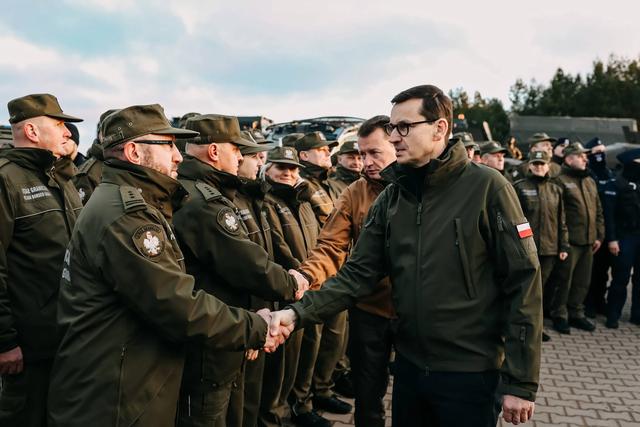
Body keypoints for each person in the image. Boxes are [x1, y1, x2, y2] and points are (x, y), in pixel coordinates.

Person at [269, 84, 542, 426]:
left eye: (404, 127)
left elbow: (523, 283)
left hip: (469, 373)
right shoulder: (392, 197)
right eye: (393, 128)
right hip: (410, 370)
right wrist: (295, 315)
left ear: (439, 128)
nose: (395, 137)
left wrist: (520, 381)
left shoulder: (488, 188)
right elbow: (357, 274)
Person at [48, 105, 287, 427]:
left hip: (126, 374)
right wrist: (255, 328)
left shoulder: (131, 202)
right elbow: (175, 303)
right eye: (168, 145)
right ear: (133, 151)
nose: (178, 156)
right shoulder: (127, 215)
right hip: (118, 389)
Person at [172, 114, 301, 427]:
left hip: (227, 324)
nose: (242, 157)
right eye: (236, 150)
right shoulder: (202, 200)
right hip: (212, 338)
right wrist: (292, 284)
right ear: (214, 152)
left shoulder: (208, 191)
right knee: (208, 414)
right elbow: (245, 262)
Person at [293, 115, 397, 427]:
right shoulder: (355, 192)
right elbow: (330, 245)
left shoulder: (420, 189)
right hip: (368, 309)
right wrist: (306, 275)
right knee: (367, 396)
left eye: (374, 153)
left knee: (414, 396)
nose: (366, 162)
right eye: (362, 154)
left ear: (396, 145)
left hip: (416, 314)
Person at [0, 93, 84, 427]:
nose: (67, 132)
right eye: (60, 124)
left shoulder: (62, 177)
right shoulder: (6, 180)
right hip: (27, 347)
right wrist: (4, 341)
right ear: (33, 132)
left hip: (66, 337)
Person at [293, 132, 352, 425]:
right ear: (304, 155)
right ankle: (302, 402)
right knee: (312, 342)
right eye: (320, 149)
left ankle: (323, 388)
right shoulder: (303, 183)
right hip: (315, 272)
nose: (327, 153)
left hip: (334, 271)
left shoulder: (325, 183)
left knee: (333, 337)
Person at [259, 146, 320, 427]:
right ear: (267, 169)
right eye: (281, 167)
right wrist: (301, 277)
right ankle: (276, 415)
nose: (287, 173)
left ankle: (299, 407)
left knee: (305, 355)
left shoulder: (304, 200)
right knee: (281, 366)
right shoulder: (266, 201)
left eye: (293, 168)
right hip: (288, 291)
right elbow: (280, 249)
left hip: (311, 288)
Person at [513, 151, 570, 342]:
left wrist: (563, 246)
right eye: (535, 164)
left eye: (542, 164)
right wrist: (521, 245)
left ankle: (537, 327)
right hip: (527, 250)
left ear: (548, 166)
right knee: (526, 292)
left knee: (542, 291)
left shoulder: (556, 190)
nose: (538, 167)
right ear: (529, 166)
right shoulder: (519, 188)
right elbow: (515, 221)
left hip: (550, 250)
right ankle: (523, 327)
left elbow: (561, 221)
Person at [550, 142, 604, 334]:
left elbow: (598, 210)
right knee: (564, 281)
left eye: (585, 156)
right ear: (569, 158)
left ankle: (576, 313)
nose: (585, 159)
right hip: (570, 241)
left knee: (582, 281)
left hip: (589, 241)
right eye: (581, 156)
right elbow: (558, 214)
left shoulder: (589, 180)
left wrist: (599, 235)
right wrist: (562, 242)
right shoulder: (559, 181)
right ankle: (560, 315)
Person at [604, 148, 640, 328]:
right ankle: (613, 314)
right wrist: (612, 239)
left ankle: (637, 314)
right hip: (624, 237)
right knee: (621, 278)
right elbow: (609, 216)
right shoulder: (616, 184)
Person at [583, 138, 616, 319]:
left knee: (603, 270)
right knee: (590, 270)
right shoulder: (587, 176)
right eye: (596, 152)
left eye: (602, 151)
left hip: (606, 231)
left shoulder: (609, 174)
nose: (600, 155)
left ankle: (599, 301)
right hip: (590, 231)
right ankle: (587, 303)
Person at [72, 109, 118, 204]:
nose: (116, 136)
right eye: (110, 130)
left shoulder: (132, 162)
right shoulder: (87, 174)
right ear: (100, 135)